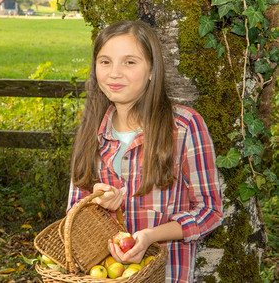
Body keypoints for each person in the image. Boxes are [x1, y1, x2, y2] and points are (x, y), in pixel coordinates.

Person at [67, 20, 223, 282]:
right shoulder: (90, 130)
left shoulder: (183, 127)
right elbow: (72, 219)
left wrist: (151, 235)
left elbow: (210, 211)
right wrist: (95, 204)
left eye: (130, 62)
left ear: (152, 69)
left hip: (166, 274)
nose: (115, 73)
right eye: (105, 62)